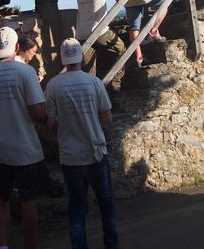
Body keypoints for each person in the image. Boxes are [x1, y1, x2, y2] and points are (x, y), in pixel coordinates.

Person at [0, 27, 48, 249]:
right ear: (16, 48)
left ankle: (2, 245)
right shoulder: (25, 73)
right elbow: (37, 114)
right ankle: (29, 245)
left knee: (0, 199)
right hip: (24, 149)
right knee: (27, 199)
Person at [45, 38, 118, 249]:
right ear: (80, 57)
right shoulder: (93, 82)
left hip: (70, 155)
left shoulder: (53, 84)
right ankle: (111, 244)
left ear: (63, 58)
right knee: (106, 201)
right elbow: (107, 118)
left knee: (76, 205)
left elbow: (50, 122)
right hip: (95, 151)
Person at [75, 0, 132, 78]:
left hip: (81, 33)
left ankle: (94, 93)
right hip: (99, 30)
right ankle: (115, 83)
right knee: (121, 49)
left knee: (89, 71)